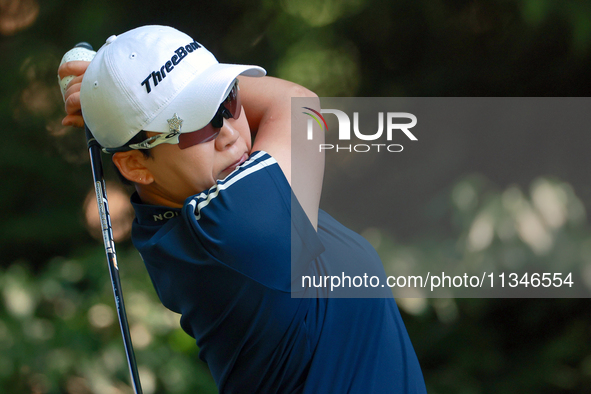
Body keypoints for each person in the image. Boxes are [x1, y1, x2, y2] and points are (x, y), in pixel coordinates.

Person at [59, 25, 427, 393]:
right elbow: (298, 102)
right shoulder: (233, 231)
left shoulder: (175, 220)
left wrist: (107, 98)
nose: (231, 133)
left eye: (228, 101)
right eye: (193, 125)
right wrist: (107, 96)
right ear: (135, 166)